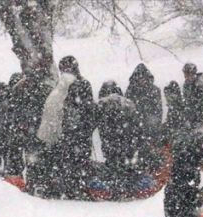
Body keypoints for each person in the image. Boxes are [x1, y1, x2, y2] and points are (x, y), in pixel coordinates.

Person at [56, 55, 96, 199]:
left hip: (78, 130)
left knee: (79, 160)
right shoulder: (62, 85)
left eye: (66, 69)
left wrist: (86, 128)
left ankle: (79, 187)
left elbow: (89, 109)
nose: (64, 72)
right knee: (68, 160)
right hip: (68, 131)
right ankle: (70, 188)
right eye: (62, 69)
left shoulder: (82, 84)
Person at [95, 80, 140, 192]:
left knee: (112, 162)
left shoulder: (102, 104)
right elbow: (135, 124)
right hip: (126, 140)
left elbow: (95, 121)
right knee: (126, 164)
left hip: (109, 140)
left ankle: (114, 188)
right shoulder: (128, 104)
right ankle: (128, 187)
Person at [125, 63, 162, 171]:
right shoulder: (131, 91)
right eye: (139, 77)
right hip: (135, 128)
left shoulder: (154, 90)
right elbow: (128, 109)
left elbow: (158, 111)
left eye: (143, 77)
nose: (141, 80)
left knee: (150, 151)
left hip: (150, 127)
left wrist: (153, 125)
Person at [181, 63, 203, 131]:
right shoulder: (186, 83)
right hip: (189, 116)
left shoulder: (200, 84)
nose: (185, 75)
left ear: (191, 73)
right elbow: (186, 99)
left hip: (199, 117)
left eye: (186, 73)